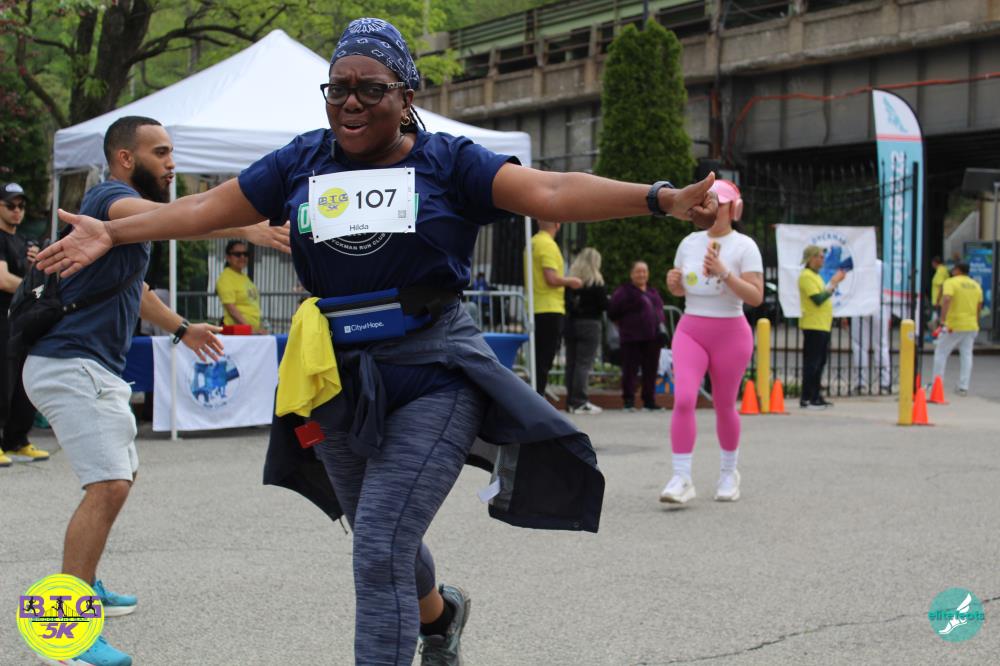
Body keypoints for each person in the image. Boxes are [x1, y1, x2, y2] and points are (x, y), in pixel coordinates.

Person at [38, 18, 718, 666]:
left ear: (406, 95)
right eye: (339, 88)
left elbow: (553, 189)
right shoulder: (302, 160)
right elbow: (201, 208)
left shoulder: (449, 162)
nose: (352, 102)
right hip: (337, 378)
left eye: (371, 88)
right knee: (379, 536)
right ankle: (440, 617)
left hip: (434, 372)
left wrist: (660, 198)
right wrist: (114, 231)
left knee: (380, 545)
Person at [22, 116, 227, 666]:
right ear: (125, 159)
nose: (171, 163)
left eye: (171, 151)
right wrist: (247, 225)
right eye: (160, 152)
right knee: (108, 484)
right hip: (70, 364)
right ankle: (66, 630)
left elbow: (136, 290)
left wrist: (183, 329)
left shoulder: (125, 225)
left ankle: (86, 582)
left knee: (119, 476)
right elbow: (183, 217)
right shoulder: (111, 200)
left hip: (88, 365)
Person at [661, 179, 763, 504]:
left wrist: (724, 272)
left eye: (720, 204)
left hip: (731, 332)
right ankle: (681, 477)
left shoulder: (745, 246)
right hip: (691, 328)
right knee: (683, 399)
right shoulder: (689, 243)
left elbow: (756, 296)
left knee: (724, 404)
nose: (712, 209)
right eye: (708, 202)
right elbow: (682, 289)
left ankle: (729, 473)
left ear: (734, 209)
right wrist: (674, 284)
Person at [0, 182, 48, 467]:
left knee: (23, 382)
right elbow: (3, 280)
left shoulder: (23, 242)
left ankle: (16, 440)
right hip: (3, 319)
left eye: (21, 206)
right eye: (10, 205)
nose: (17, 211)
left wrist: (34, 268)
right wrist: (32, 291)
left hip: (21, 321)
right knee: (3, 382)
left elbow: (34, 283)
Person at [530, 220, 581, 397]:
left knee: (538, 357)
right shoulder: (548, 245)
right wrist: (572, 281)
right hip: (550, 307)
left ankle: (536, 394)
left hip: (535, 306)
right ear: (557, 224)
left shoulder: (532, 242)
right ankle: (538, 396)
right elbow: (551, 278)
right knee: (545, 357)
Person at [608, 260, 666, 412]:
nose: (642, 274)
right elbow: (613, 312)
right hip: (631, 337)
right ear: (631, 274)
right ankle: (628, 401)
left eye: (644, 271)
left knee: (651, 371)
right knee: (630, 370)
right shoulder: (623, 292)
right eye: (638, 271)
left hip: (653, 338)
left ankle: (649, 401)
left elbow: (660, 311)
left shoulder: (653, 292)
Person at [797, 245, 845, 409]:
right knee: (812, 362)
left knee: (820, 361)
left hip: (822, 325)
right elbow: (817, 299)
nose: (823, 259)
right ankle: (807, 397)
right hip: (813, 325)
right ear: (811, 258)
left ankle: (816, 395)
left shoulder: (816, 276)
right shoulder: (806, 276)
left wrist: (831, 285)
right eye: (820, 256)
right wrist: (833, 283)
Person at [564, 247, 607, 415]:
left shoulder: (571, 281)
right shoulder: (596, 281)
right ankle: (580, 401)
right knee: (583, 364)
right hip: (590, 324)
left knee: (571, 363)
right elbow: (604, 305)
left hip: (571, 323)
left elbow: (567, 303)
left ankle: (571, 401)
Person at [932, 262, 983, 396]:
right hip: (971, 325)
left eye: (954, 269)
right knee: (966, 355)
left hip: (953, 324)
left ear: (957, 270)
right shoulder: (976, 285)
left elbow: (947, 299)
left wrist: (942, 320)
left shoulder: (951, 282)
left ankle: (937, 384)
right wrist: (976, 322)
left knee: (941, 353)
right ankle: (963, 386)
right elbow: (979, 307)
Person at [850, 260, 891, 394]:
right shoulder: (881, 265)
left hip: (859, 305)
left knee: (859, 345)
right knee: (881, 345)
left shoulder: (858, 263)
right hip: (880, 304)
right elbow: (889, 288)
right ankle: (884, 382)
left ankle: (860, 382)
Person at [216, 239, 262, 331]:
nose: (242, 257)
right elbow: (231, 309)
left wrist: (258, 328)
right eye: (237, 254)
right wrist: (249, 329)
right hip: (237, 332)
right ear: (228, 257)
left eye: (245, 254)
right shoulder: (226, 278)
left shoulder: (244, 277)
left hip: (249, 331)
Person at [930, 256, 950, 325]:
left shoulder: (940, 271)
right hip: (940, 300)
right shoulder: (944, 270)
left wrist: (937, 300)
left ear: (934, 263)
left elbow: (942, 286)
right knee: (937, 319)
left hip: (939, 301)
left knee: (939, 320)